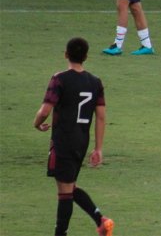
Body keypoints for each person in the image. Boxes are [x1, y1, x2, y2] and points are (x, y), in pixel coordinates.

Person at [32, 37, 114, 236]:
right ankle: (101, 221)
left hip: (63, 140)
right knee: (68, 184)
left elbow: (45, 110)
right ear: (86, 56)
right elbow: (101, 117)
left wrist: (36, 123)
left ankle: (63, 233)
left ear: (66, 54)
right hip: (81, 140)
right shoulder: (95, 82)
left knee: (65, 192)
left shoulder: (59, 78)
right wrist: (98, 148)